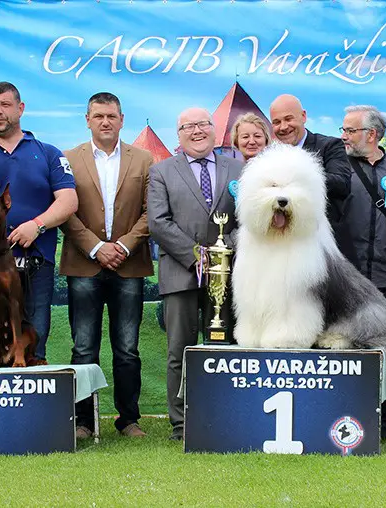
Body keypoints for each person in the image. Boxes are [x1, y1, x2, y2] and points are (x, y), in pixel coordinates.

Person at [0, 81, 78, 364]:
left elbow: (68, 201)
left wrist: (38, 225)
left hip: (36, 262)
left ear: (20, 109)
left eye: (5, 105)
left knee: (35, 339)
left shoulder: (49, 153)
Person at [59, 92, 153, 438]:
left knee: (127, 348)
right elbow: (64, 209)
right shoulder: (67, 158)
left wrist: (124, 246)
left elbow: (151, 211)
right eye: (98, 116)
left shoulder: (144, 160)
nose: (105, 122)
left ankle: (128, 419)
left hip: (129, 266)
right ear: (87, 119)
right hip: (84, 264)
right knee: (83, 348)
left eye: (111, 116)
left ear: (122, 119)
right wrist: (97, 247)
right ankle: (83, 421)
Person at [148, 107, 244, 441]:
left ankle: (227, 416)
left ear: (214, 129)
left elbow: (249, 218)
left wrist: (220, 253)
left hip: (227, 273)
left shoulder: (240, 167)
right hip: (180, 273)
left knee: (225, 347)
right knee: (180, 350)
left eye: (203, 124)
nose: (197, 131)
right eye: (188, 126)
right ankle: (181, 423)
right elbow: (158, 222)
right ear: (179, 134)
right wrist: (196, 257)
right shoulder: (161, 171)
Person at [340, 105, 386, 440]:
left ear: (371, 135)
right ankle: (340, 413)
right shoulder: (338, 166)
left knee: (379, 345)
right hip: (343, 274)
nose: (343, 136)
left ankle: (381, 422)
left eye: (350, 131)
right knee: (341, 343)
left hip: (384, 273)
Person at [269, 94, 354, 260]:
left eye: (288, 119)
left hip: (323, 251)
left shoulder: (330, 146)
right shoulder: (269, 156)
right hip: (281, 251)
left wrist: (298, 176)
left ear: (303, 116)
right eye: (277, 122)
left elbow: (342, 184)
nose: (283, 127)